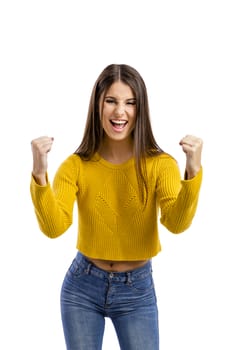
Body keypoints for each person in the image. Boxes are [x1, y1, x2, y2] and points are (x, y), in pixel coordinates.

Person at [30, 63, 203, 350]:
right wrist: (39, 174)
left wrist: (193, 171)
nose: (119, 112)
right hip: (82, 287)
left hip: (137, 290)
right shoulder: (76, 166)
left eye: (130, 103)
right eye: (111, 100)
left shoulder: (160, 164)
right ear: (97, 106)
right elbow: (53, 227)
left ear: (140, 109)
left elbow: (176, 223)